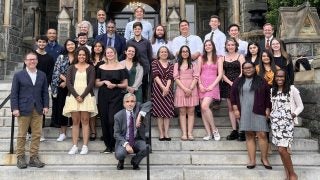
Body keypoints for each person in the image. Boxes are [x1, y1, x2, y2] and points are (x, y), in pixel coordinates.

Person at [230, 61, 272, 170]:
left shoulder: (261, 81)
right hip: (244, 110)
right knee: (249, 134)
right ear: (242, 70)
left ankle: (264, 158)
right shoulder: (238, 81)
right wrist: (235, 109)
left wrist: (268, 108)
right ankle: (252, 160)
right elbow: (233, 96)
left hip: (259, 110)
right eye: (245, 68)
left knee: (262, 134)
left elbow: (268, 96)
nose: (248, 69)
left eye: (250, 67)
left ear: (254, 68)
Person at [11, 52, 49, 169]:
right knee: (22, 135)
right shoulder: (18, 75)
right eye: (29, 60)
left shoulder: (42, 75)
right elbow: (14, 93)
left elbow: (45, 92)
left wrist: (46, 105)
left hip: (38, 108)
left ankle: (33, 157)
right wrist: (15, 108)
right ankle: (20, 157)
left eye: (34, 59)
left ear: (37, 61)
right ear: (25, 61)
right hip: (23, 108)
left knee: (37, 134)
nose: (32, 61)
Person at [63, 46, 98, 155]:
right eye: (79, 54)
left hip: (86, 97)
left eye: (83, 55)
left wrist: (82, 96)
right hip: (73, 97)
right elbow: (68, 83)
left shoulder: (91, 68)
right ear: (77, 56)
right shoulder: (71, 68)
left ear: (87, 56)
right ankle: (74, 146)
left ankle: (85, 146)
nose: (81, 56)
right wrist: (76, 95)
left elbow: (91, 83)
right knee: (75, 122)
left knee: (85, 121)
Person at [270, 69, 304, 180]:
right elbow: (273, 106)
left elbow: (300, 106)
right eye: (277, 77)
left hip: (287, 123)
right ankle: (288, 175)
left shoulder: (292, 89)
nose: (279, 79)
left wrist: (293, 115)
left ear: (286, 78)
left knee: (281, 149)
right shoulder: (272, 90)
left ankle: (293, 174)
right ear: (274, 78)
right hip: (275, 124)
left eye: (282, 76)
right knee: (282, 151)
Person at [96, 47, 128, 153]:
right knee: (104, 120)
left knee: (112, 120)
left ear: (115, 53)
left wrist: (115, 85)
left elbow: (125, 84)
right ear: (105, 54)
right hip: (103, 95)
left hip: (117, 95)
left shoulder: (121, 67)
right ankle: (108, 146)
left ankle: (115, 144)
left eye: (111, 52)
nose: (109, 54)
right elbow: (96, 83)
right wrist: (105, 81)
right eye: (107, 53)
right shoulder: (101, 67)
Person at [114, 93, 151, 170]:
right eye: (127, 102)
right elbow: (116, 134)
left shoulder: (138, 109)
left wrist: (140, 116)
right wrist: (126, 144)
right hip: (124, 140)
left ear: (135, 102)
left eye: (132, 101)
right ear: (124, 104)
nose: (130, 104)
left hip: (136, 139)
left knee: (147, 148)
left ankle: (135, 161)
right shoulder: (118, 116)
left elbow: (150, 103)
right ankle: (121, 161)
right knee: (120, 154)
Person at [51, 39, 77, 141]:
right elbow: (56, 71)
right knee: (62, 108)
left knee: (75, 109)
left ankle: (75, 131)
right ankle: (62, 133)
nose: (70, 46)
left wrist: (68, 82)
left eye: (72, 44)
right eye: (68, 44)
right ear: (65, 46)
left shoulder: (79, 56)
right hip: (62, 87)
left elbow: (80, 70)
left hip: (76, 86)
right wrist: (66, 81)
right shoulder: (61, 57)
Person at [220, 37, 245, 141]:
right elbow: (222, 74)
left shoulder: (240, 56)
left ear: (236, 46)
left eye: (232, 45)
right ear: (226, 46)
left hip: (239, 84)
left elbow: (243, 71)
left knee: (239, 107)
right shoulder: (222, 58)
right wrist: (230, 83)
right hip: (227, 84)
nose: (230, 47)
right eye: (228, 45)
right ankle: (234, 130)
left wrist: (235, 83)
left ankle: (242, 130)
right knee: (230, 108)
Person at [198, 40, 223, 141]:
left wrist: (212, 85)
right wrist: (200, 85)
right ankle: (208, 133)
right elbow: (198, 73)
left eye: (209, 45)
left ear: (213, 46)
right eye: (206, 45)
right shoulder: (201, 58)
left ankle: (214, 129)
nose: (208, 47)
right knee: (203, 109)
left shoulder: (218, 58)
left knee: (205, 106)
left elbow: (220, 74)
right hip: (202, 86)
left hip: (213, 85)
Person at [173, 45, 199, 141]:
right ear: (180, 53)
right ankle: (184, 133)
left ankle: (190, 133)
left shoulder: (194, 65)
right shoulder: (176, 65)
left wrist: (190, 89)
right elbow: (176, 78)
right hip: (181, 89)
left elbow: (196, 77)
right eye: (183, 51)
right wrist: (185, 89)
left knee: (191, 112)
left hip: (192, 89)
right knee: (182, 112)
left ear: (189, 53)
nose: (185, 53)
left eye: (186, 51)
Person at [151, 46, 175, 141]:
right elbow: (155, 76)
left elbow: (170, 77)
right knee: (160, 113)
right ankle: (161, 134)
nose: (164, 53)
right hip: (157, 88)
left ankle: (166, 133)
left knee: (167, 112)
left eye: (165, 52)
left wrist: (167, 88)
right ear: (158, 54)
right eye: (162, 52)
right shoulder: (154, 63)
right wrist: (163, 87)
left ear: (168, 53)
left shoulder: (171, 65)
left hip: (168, 89)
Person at [126, 22, 153, 102]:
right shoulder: (129, 42)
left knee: (143, 90)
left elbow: (149, 56)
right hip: (133, 69)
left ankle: (143, 110)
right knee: (132, 88)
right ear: (133, 30)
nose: (137, 30)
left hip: (144, 70)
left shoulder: (146, 42)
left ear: (141, 30)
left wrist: (148, 69)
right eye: (135, 29)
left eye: (139, 29)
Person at [89, 41, 106, 141]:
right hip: (90, 88)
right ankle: (93, 132)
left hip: (102, 87)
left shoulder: (106, 59)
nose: (98, 48)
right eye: (96, 46)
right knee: (92, 110)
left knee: (103, 111)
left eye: (100, 46)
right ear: (93, 48)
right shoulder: (89, 59)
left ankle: (105, 133)